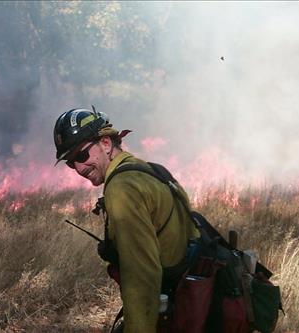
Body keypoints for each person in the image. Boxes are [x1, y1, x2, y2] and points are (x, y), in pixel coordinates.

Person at [53, 108, 199, 333]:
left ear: (105, 143)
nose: (79, 168)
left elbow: (142, 277)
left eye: (81, 155)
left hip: (174, 312)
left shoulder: (122, 188)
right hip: (192, 305)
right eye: (71, 163)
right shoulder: (152, 171)